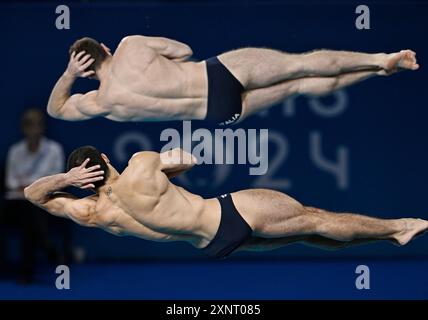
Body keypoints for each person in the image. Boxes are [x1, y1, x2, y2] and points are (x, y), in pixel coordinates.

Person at [24, 146, 427, 259]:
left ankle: (389, 237)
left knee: (307, 236)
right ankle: (398, 226)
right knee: (316, 219)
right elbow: (188, 159)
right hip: (229, 212)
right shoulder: (140, 165)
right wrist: (168, 165)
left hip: (211, 246)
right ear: (106, 160)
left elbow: (32, 195)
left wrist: (62, 180)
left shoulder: (90, 212)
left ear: (80, 182)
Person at [47, 36, 419, 126]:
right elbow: (184, 49)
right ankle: (378, 60)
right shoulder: (130, 45)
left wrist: (67, 76)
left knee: (300, 87)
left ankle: (377, 72)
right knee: (301, 65)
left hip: (216, 112)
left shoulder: (103, 103)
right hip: (216, 74)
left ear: (84, 71)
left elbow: (56, 110)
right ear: (106, 47)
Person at [2, 108, 70, 282]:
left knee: (30, 213)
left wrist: (28, 187)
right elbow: (10, 182)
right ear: (23, 128)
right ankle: (46, 246)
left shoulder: (54, 149)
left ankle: (27, 270)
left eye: (38, 124)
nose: (34, 129)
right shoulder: (15, 151)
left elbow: (56, 180)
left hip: (44, 204)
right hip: (15, 203)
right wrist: (35, 185)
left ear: (43, 127)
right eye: (29, 124)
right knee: (27, 212)